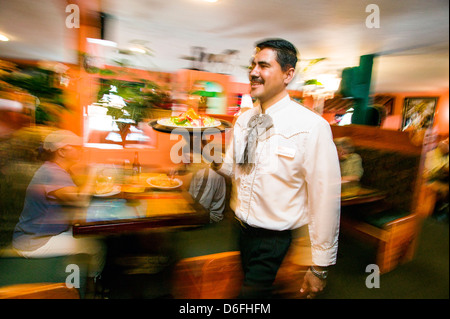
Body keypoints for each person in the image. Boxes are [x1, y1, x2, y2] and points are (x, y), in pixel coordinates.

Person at [218, 39, 341, 298]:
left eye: (263, 65)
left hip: (273, 239)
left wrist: (320, 267)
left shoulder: (312, 127)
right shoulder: (243, 120)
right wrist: (196, 146)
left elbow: (325, 199)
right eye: (253, 65)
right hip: (239, 229)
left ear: (288, 74)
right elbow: (231, 168)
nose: (253, 72)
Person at [12, 130, 106, 288]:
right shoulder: (53, 173)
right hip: (34, 242)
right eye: (76, 147)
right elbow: (79, 199)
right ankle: (87, 287)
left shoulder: (53, 169)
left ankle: (77, 281)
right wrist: (92, 173)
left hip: (34, 235)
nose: (81, 150)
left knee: (84, 235)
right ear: (62, 151)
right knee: (94, 247)